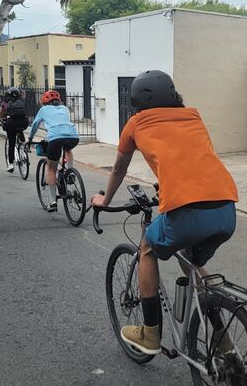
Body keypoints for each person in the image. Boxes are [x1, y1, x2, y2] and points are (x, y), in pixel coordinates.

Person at [90, 70, 239, 355]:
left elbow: (119, 169)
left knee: (147, 248)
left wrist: (105, 200)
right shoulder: (193, 117)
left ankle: (149, 334)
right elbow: (191, 158)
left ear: (135, 102)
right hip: (225, 209)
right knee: (191, 260)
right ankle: (223, 341)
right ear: (173, 95)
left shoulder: (135, 124)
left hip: (189, 212)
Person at [28, 90, 79, 211]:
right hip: (73, 136)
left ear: (45, 102)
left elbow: (35, 125)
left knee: (51, 169)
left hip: (55, 138)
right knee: (67, 149)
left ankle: (52, 202)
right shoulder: (65, 108)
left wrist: (30, 138)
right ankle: (70, 172)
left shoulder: (44, 110)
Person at [0, 87, 30, 172]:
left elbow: (0, 115)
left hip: (12, 123)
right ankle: (24, 147)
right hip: (24, 122)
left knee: (11, 143)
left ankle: (10, 164)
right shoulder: (22, 101)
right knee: (19, 129)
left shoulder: (5, 103)